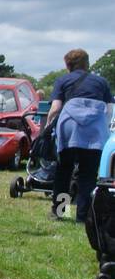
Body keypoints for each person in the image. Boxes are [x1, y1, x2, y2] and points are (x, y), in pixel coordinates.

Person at [47, 48, 113, 222]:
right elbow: (109, 110)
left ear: (68, 65)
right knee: (88, 174)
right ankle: (82, 215)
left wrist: (47, 126)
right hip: (94, 132)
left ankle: (61, 212)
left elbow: (55, 108)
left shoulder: (63, 80)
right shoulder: (101, 82)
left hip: (69, 130)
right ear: (87, 63)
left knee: (64, 171)